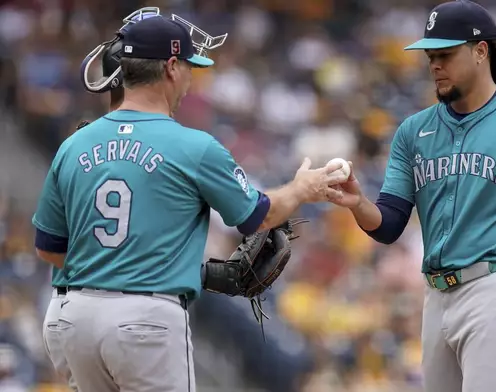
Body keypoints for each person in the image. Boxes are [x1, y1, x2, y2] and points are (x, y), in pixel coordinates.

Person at [31, 15, 344, 392]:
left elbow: (48, 249)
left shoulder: (73, 145)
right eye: (190, 68)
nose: (191, 78)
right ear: (171, 67)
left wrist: (111, 275)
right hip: (144, 319)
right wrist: (301, 188)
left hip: (71, 319)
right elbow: (259, 216)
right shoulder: (193, 147)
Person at [326, 1, 496, 391]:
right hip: (437, 296)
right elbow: (390, 224)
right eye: (431, 56)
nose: (435, 65)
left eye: (445, 54)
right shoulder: (414, 131)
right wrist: (359, 204)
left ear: (480, 51)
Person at [40, 7, 159, 391]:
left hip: (65, 309)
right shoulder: (167, 148)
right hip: (122, 311)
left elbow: (49, 245)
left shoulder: (76, 145)